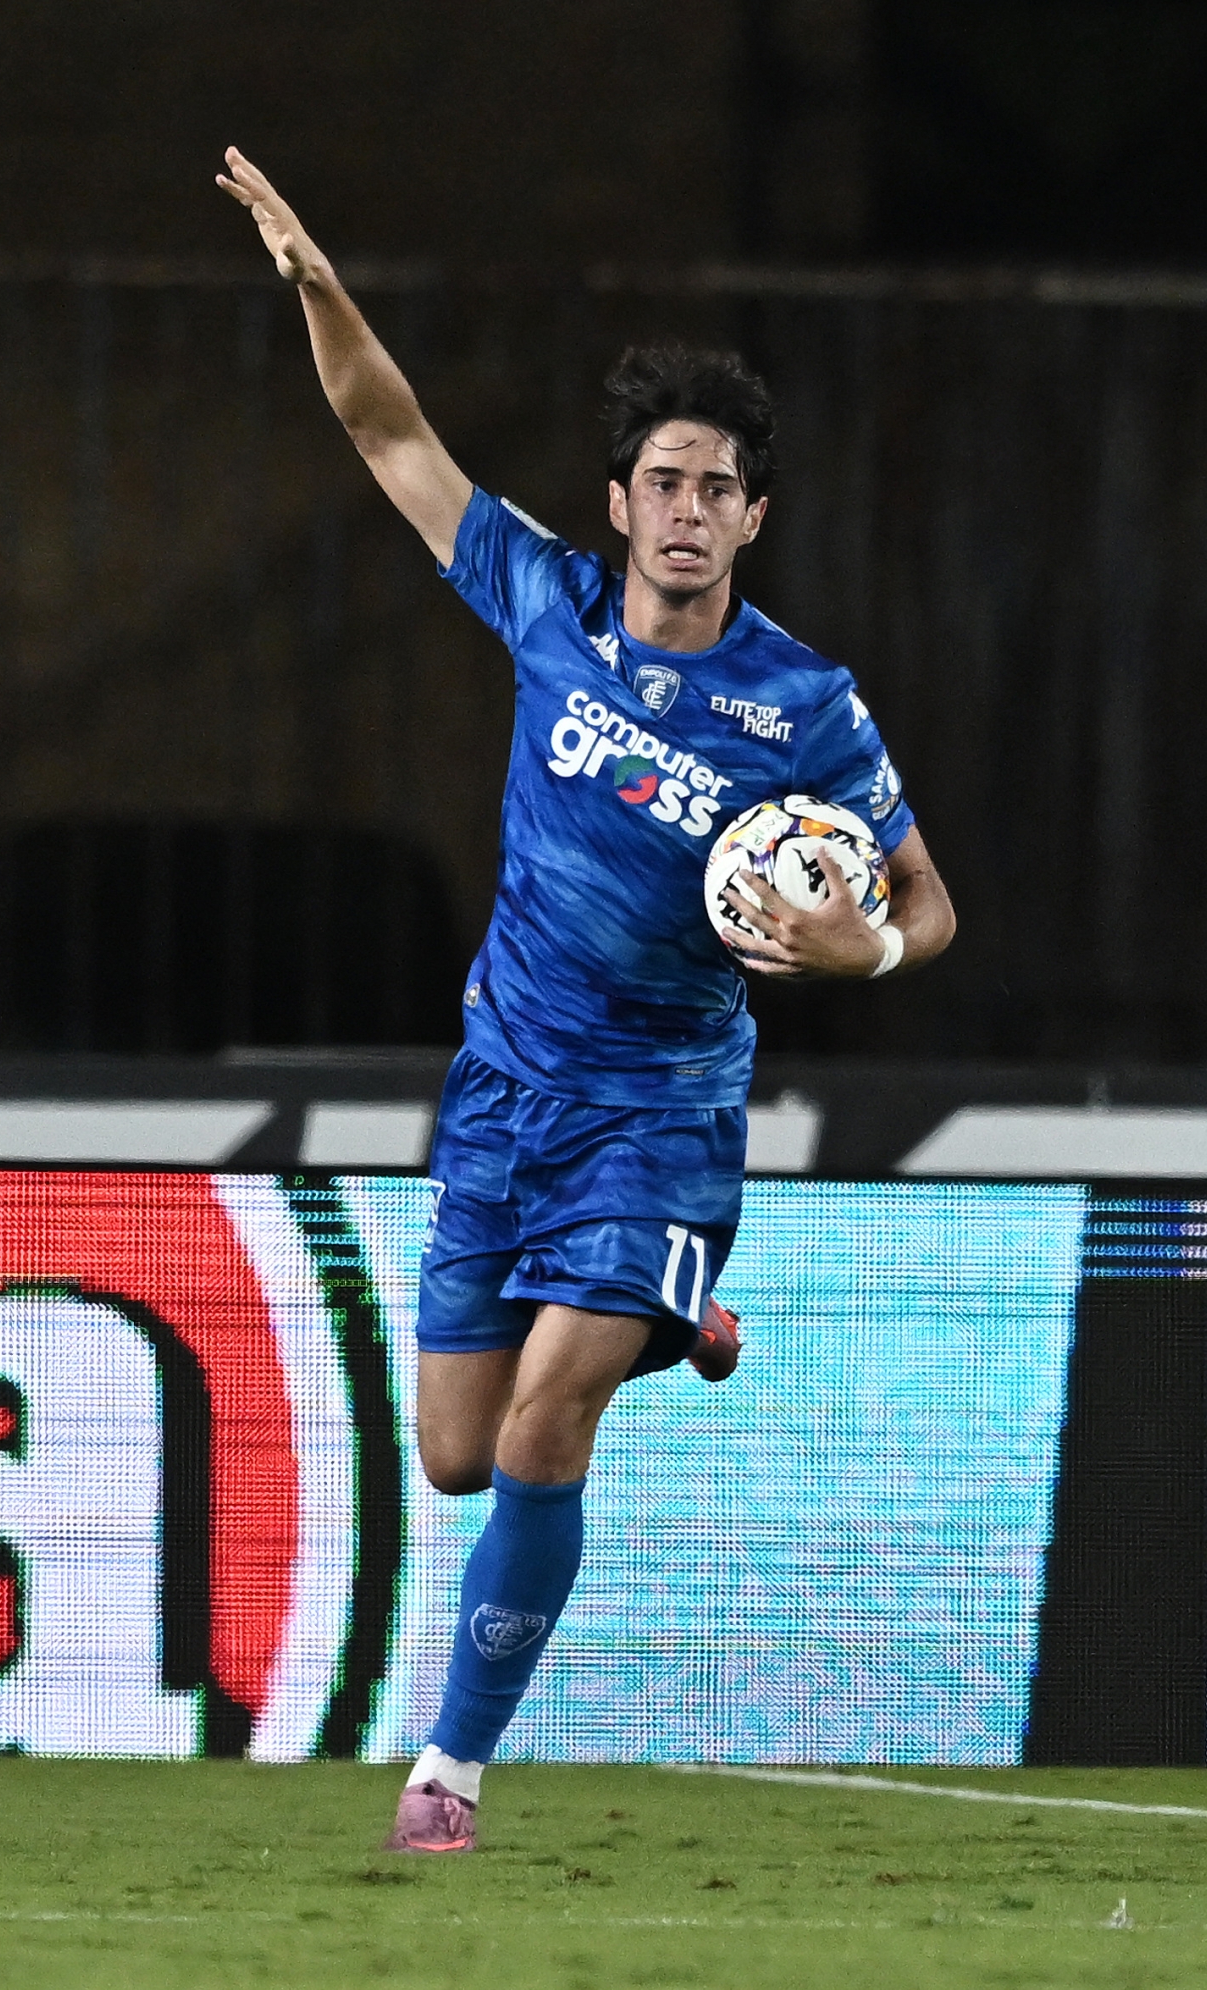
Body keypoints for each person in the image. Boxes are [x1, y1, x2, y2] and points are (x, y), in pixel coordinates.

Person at [217, 148, 958, 1853]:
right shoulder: (544, 600)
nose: (689, 508)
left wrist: (869, 953)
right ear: (616, 501)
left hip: (663, 1115)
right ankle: (662, 1327)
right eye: (664, 479)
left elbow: (926, 903)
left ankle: (445, 1776)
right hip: (503, 1094)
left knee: (548, 1420)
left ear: (754, 519)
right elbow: (390, 438)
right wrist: (316, 279)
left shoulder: (809, 710)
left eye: (720, 488)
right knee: (460, 1460)